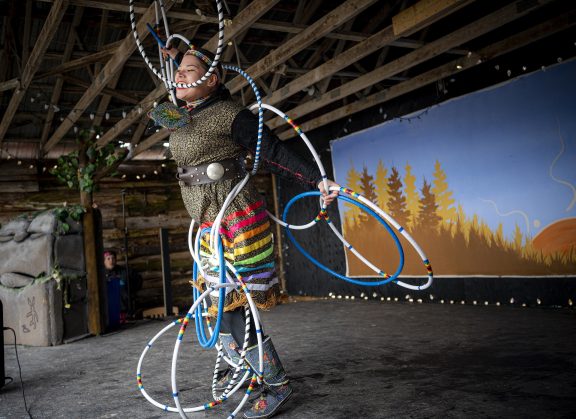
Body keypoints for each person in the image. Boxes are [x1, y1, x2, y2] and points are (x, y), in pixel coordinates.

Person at [150, 45, 339, 419]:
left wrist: (316, 180)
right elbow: (158, 109)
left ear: (214, 79)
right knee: (214, 307)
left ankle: (276, 382)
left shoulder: (230, 115)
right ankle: (239, 370)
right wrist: (174, 60)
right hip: (208, 225)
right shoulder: (179, 117)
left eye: (190, 71)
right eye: (178, 72)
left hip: (237, 219)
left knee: (234, 306)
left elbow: (272, 151)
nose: (179, 77)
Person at [103, 249, 142, 326]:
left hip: (125, 311)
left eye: (113, 258)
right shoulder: (101, 275)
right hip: (108, 312)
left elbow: (138, 279)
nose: (111, 260)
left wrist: (131, 293)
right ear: (104, 261)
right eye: (108, 258)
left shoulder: (124, 271)